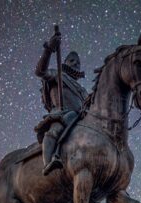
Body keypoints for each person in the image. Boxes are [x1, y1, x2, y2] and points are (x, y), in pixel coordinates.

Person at [34, 29, 89, 175]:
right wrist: (49, 49)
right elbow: (40, 72)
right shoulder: (56, 74)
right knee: (55, 130)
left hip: (81, 120)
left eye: (78, 63)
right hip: (62, 114)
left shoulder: (83, 90)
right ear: (64, 62)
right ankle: (48, 162)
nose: (75, 64)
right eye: (72, 61)